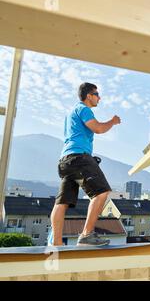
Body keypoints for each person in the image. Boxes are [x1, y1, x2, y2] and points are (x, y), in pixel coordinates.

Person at [50, 82, 121, 246]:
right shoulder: (83, 109)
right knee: (102, 192)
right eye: (97, 94)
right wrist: (113, 121)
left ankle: (57, 243)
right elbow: (98, 129)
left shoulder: (70, 113)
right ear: (89, 96)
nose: (99, 98)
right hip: (79, 158)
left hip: (65, 161)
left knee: (62, 202)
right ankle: (87, 235)